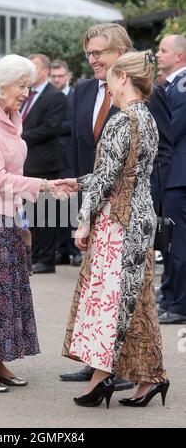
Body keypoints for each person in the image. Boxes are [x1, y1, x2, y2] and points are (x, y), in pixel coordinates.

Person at [59, 23, 173, 390]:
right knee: (118, 294)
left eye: (100, 53)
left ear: (121, 59)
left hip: (124, 215)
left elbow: (154, 158)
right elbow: (87, 155)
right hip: (108, 206)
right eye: (89, 53)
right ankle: (103, 365)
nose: (93, 60)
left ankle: (112, 371)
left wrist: (136, 208)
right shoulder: (81, 92)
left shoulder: (143, 102)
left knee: (117, 294)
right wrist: (78, 188)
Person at [0, 54, 72, 392]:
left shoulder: (11, 113)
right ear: (2, 84)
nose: (26, 92)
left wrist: (28, 200)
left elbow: (13, 172)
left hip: (5, 212)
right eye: (22, 86)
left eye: (28, 85)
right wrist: (45, 186)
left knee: (5, 288)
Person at [21, 54, 67, 274]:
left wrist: (20, 135)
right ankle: (36, 255)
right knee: (31, 214)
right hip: (27, 163)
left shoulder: (55, 96)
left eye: (33, 67)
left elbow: (51, 127)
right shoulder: (25, 93)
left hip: (46, 163)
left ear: (45, 71)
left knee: (45, 214)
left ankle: (46, 260)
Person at [156, 35, 186, 324]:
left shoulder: (182, 85)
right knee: (168, 242)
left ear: (179, 56)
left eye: (164, 50)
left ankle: (179, 304)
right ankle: (169, 296)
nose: (158, 54)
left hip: (178, 174)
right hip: (171, 173)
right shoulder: (172, 84)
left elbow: (169, 130)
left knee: (177, 243)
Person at [50, 59, 82, 267]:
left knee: (71, 207)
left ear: (68, 75)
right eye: (53, 76)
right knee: (53, 207)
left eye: (60, 76)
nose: (56, 80)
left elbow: (75, 124)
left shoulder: (75, 97)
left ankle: (75, 251)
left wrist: (52, 126)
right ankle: (60, 250)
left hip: (69, 158)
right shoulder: (48, 98)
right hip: (52, 158)